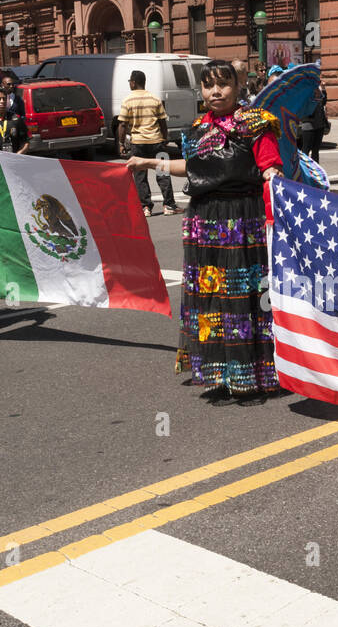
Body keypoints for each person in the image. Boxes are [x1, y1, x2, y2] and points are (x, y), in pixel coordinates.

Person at [125, 59, 283, 403]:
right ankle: (219, 372)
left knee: (243, 297)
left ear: (238, 86)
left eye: (224, 84)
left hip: (242, 221)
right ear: (201, 89)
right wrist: (148, 162)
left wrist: (273, 177)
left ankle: (252, 373)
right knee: (211, 295)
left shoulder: (256, 123)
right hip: (204, 221)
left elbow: (269, 164)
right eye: (209, 85)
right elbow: (191, 168)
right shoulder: (196, 128)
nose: (216, 91)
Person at [117, 69, 180, 217]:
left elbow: (122, 125)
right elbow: (162, 122)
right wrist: (165, 139)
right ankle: (169, 206)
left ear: (133, 83)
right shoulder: (154, 99)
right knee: (163, 172)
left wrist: (121, 143)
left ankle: (146, 207)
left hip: (137, 143)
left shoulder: (127, 100)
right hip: (157, 140)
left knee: (140, 176)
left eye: (130, 82)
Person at [298, 79, 329, 164]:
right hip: (309, 125)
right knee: (306, 150)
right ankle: (303, 171)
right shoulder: (305, 92)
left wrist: (323, 89)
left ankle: (315, 170)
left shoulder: (317, 90)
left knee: (316, 150)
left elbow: (323, 102)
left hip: (319, 125)